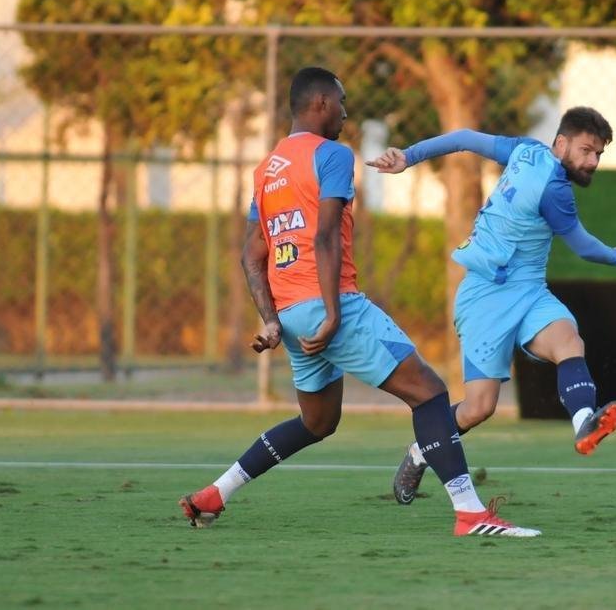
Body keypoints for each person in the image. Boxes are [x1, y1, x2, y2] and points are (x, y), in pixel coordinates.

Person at [179, 66, 538, 538]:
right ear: (322, 103)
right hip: (332, 305)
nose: (346, 114)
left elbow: (251, 256)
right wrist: (332, 313)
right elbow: (326, 236)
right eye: (342, 103)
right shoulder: (331, 155)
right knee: (429, 393)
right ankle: (471, 514)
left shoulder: (266, 170)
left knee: (317, 421)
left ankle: (215, 494)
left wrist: (270, 320)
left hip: (290, 313)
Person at [367, 107, 616, 506]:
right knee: (478, 409)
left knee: (568, 341)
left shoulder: (526, 150)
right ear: (560, 143)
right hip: (484, 297)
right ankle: (419, 452)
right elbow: (581, 246)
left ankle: (584, 424)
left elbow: (462, 136)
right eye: (586, 151)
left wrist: (408, 156)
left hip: (528, 291)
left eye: (598, 154)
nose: (592, 162)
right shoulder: (554, 189)